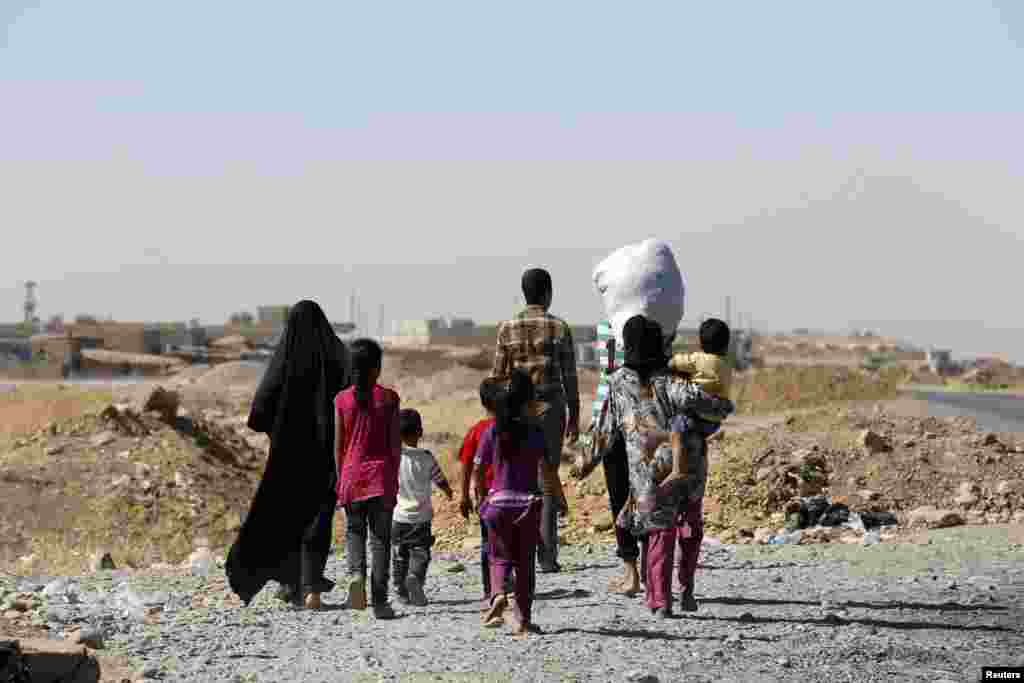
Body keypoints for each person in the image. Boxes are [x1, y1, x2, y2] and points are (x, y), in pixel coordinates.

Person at [575, 315, 733, 617]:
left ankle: (660, 601)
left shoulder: (617, 383)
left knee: (659, 530)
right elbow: (709, 404)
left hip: (648, 472)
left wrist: (583, 463)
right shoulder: (674, 380)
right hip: (689, 466)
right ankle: (686, 589)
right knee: (690, 527)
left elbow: (602, 431)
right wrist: (725, 406)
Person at [226, 300, 349, 609]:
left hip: (289, 457)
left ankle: (293, 583)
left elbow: (260, 410)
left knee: (288, 517)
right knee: (318, 519)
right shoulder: (339, 357)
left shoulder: (286, 359)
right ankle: (309, 587)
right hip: (328, 456)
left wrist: (279, 432)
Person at [491, 268, 578, 574]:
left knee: (519, 477)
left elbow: (498, 377)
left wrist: (499, 416)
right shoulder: (559, 327)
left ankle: (520, 551)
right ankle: (547, 555)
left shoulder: (506, 328)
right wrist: (575, 415)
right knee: (548, 478)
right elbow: (570, 376)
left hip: (517, 410)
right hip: (551, 408)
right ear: (548, 293)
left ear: (524, 293)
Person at [474, 369, 545, 636]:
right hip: (527, 504)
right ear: (528, 401)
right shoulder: (535, 430)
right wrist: (558, 499)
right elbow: (548, 469)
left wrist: (481, 496)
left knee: (498, 557)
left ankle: (499, 594)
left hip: (497, 504)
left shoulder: (492, 430)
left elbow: (478, 468)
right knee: (525, 565)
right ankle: (523, 619)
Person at [335, 338, 401, 619]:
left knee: (354, 531)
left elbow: (338, 446)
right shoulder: (389, 399)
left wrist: (341, 479)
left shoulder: (341, 400)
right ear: (377, 368)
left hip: (351, 476)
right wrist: (394, 479)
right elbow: (395, 445)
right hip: (380, 477)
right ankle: (380, 602)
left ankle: (356, 575)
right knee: (381, 541)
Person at [392, 408, 453, 606]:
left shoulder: (394, 458)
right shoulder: (427, 457)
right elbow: (440, 479)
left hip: (398, 516)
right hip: (421, 517)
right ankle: (415, 578)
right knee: (420, 552)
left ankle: (401, 592)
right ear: (420, 432)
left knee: (399, 555)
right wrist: (448, 491)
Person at [458, 378, 500, 609]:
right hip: (512, 495)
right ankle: (507, 584)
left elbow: (466, 466)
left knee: (487, 543)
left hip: (486, 498)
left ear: (483, 402)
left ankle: (490, 589)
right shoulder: (515, 428)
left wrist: (464, 496)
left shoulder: (476, 431)